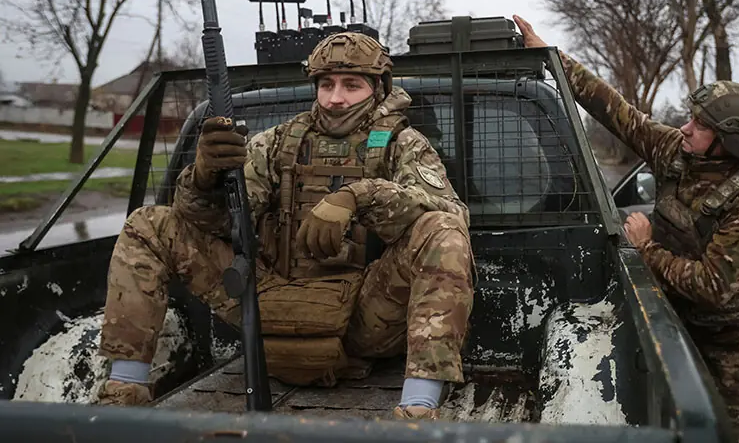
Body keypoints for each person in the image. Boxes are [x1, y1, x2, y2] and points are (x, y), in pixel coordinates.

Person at [95, 31, 474, 421]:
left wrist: (359, 197)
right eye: (326, 84)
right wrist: (204, 176)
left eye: (351, 85)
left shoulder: (403, 143)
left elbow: (448, 210)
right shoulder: (279, 141)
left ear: (378, 89)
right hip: (266, 297)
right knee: (149, 223)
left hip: (364, 316)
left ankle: (419, 407)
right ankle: (125, 390)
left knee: (442, 231)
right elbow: (222, 221)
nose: (335, 97)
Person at [512, 14, 739, 443]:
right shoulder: (675, 152)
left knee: (734, 433)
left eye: (700, 126)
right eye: (691, 118)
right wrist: (551, 56)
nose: (685, 128)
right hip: (683, 322)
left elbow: (711, 285)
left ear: (732, 142)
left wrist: (646, 248)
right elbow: (616, 111)